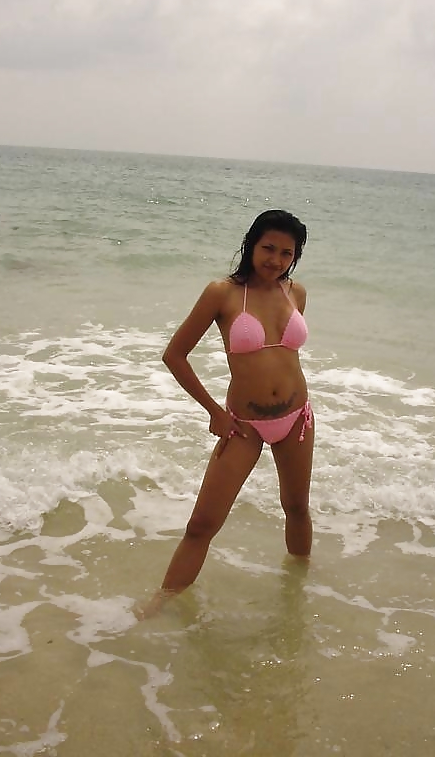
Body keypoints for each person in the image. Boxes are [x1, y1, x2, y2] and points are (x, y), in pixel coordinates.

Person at [138, 210, 314, 617]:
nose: (275, 260)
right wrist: (215, 411)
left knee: (297, 508)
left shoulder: (296, 293)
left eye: (286, 253)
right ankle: (161, 603)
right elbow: (174, 355)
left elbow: (284, 356)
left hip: (297, 419)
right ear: (251, 244)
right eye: (268, 248)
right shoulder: (223, 293)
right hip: (243, 425)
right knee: (202, 523)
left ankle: (298, 592)